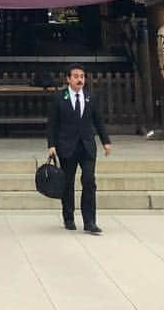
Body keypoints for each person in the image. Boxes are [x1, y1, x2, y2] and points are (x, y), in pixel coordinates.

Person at [47, 63, 111, 234]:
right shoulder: (59, 97)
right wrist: (51, 144)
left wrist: (106, 141)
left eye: (82, 76)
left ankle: (90, 221)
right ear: (68, 79)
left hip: (87, 145)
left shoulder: (91, 97)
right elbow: (52, 123)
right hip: (67, 145)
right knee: (67, 182)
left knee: (89, 181)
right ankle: (68, 217)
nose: (79, 79)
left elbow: (98, 121)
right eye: (75, 76)